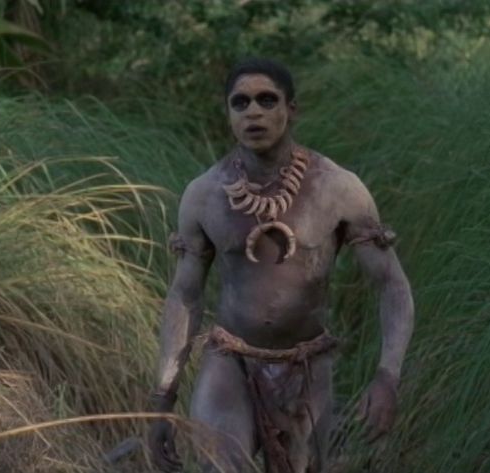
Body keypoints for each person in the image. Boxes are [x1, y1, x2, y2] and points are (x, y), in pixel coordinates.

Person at [147, 58, 415, 473]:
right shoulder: (205, 194)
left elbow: (392, 285)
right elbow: (185, 295)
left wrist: (387, 377)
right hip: (230, 361)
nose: (253, 112)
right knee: (219, 467)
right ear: (228, 115)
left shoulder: (337, 188)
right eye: (240, 103)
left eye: (266, 100)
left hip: (307, 366)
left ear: (291, 109)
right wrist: (163, 396)